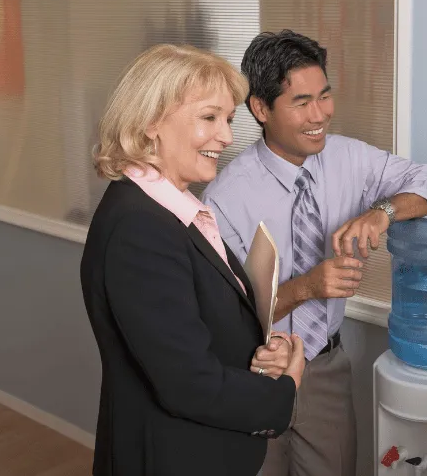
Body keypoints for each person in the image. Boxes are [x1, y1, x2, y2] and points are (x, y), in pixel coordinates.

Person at [202, 30, 427, 476]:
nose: (319, 115)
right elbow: (225, 313)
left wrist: (382, 213)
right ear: (260, 108)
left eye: (324, 96)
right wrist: (307, 287)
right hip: (253, 371)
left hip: (325, 368)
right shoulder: (224, 199)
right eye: (301, 102)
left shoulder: (347, 158)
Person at [80, 44, 306, 476]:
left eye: (228, 119)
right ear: (151, 122)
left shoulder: (172, 210)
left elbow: (196, 327)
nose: (226, 136)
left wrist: (260, 354)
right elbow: (188, 383)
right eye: (209, 117)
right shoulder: (141, 229)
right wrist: (286, 389)